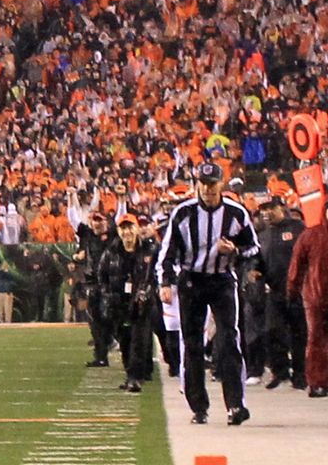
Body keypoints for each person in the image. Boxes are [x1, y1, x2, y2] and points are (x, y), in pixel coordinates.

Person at [156, 162, 260, 425]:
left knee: (228, 339)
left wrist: (234, 250)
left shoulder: (236, 213)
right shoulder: (183, 213)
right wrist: (166, 282)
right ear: (197, 185)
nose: (208, 190)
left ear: (221, 185)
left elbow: (253, 249)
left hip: (222, 279)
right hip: (191, 279)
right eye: (203, 184)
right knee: (192, 344)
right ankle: (198, 406)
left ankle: (235, 405)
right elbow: (167, 253)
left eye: (213, 185)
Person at [101, 216, 157, 391]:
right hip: (119, 303)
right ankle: (131, 374)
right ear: (118, 231)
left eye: (130, 227)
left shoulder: (149, 249)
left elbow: (156, 274)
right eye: (123, 228)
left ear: (137, 228)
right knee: (124, 340)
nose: (126, 232)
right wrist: (108, 294)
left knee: (139, 340)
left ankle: (136, 377)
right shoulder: (111, 251)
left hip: (142, 303)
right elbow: (101, 275)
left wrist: (147, 292)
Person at [255, 198, 304, 390]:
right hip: (274, 291)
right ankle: (280, 371)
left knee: (299, 333)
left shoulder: (297, 227)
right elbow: (258, 259)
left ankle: (300, 374)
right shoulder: (264, 234)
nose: (266, 213)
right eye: (263, 210)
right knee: (272, 331)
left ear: (280, 208)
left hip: (297, 290)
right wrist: (255, 270)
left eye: (270, 208)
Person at [287, 211, 328, 397]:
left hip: (313, 295)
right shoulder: (311, 235)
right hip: (315, 297)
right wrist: (292, 290)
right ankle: (317, 382)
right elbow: (297, 264)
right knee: (316, 340)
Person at [77, 216, 115, 367]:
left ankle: (111, 341)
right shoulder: (88, 236)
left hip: (111, 283)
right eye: (95, 221)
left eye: (100, 220)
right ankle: (101, 356)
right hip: (93, 284)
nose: (97, 223)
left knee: (113, 319)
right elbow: (74, 218)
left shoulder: (113, 236)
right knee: (95, 322)